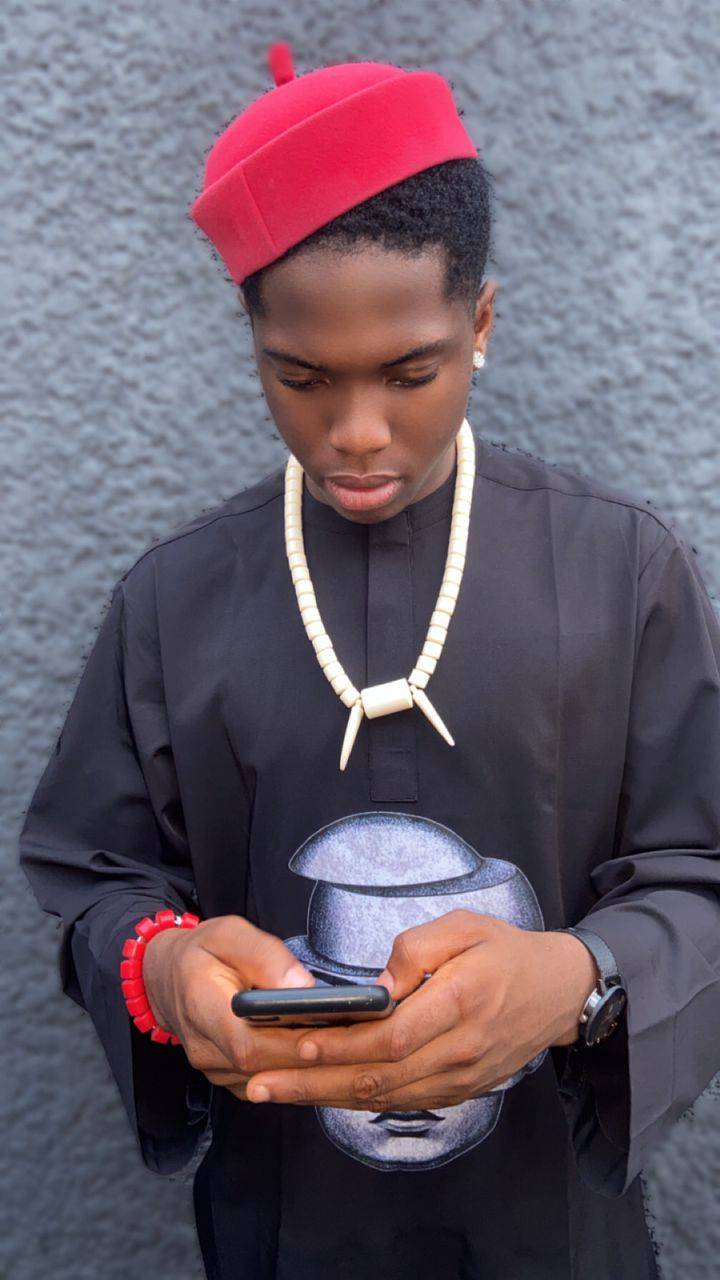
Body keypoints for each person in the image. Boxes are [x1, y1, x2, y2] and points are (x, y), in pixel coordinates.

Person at [18, 41, 720, 1280]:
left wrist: (577, 976)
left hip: (556, 1236)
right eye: (301, 378)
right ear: (255, 341)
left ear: (480, 322)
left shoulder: (623, 568)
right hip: (281, 1229)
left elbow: (699, 872)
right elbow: (97, 876)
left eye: (410, 373)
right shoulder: (176, 598)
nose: (355, 432)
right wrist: (164, 967)